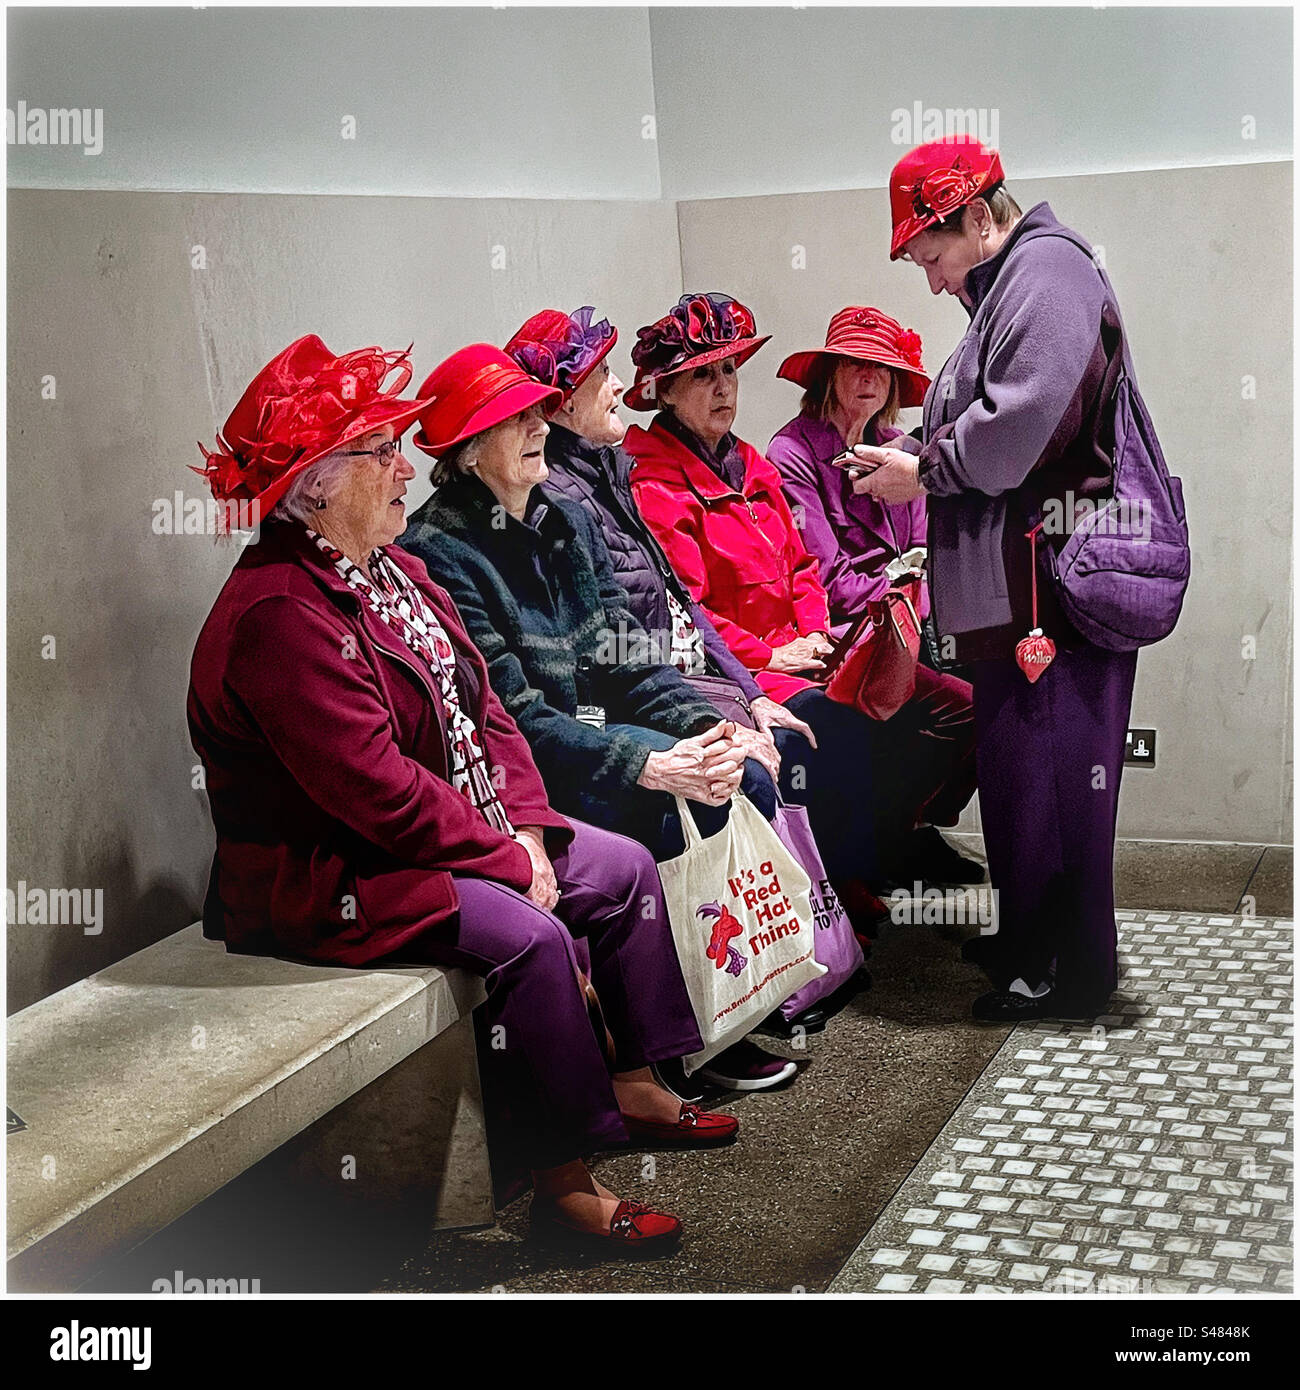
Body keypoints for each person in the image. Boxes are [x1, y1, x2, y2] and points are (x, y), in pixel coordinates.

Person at [188, 334, 736, 1253]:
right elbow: (377, 795)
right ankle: (565, 1188)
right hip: (331, 875)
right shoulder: (280, 614)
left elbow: (486, 708)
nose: (406, 468)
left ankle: (637, 1079)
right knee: (529, 936)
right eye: (381, 453)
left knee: (624, 867)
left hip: (442, 834)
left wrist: (527, 823)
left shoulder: (387, 569)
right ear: (317, 484)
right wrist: (506, 858)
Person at [399, 343, 799, 1090]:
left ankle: (741, 1003)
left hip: (593, 732)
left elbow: (628, 656)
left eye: (534, 412)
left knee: (740, 771)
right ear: (467, 450)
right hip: (536, 766)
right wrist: (649, 761)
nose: (537, 426)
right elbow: (512, 716)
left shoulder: (560, 519)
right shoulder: (441, 549)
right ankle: (683, 1044)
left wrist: (711, 728)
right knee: (679, 797)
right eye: (514, 420)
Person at [852, 135, 1141, 1021]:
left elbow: (1015, 433)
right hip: (1016, 592)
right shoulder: (1013, 283)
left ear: (980, 217)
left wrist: (920, 472)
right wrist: (916, 449)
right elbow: (986, 412)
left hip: (1044, 592)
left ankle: (1065, 974)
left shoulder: (1047, 276)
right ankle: (1031, 942)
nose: (933, 281)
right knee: (1025, 779)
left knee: (1055, 783)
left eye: (932, 256)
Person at [620, 293, 978, 898]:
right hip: (740, 670)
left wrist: (812, 629)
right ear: (667, 393)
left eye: (728, 371)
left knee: (956, 703)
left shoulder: (751, 464)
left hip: (812, 646)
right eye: (702, 376)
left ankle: (891, 845)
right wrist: (767, 655)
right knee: (837, 720)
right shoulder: (657, 482)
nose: (723, 388)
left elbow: (804, 567)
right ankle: (841, 895)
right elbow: (688, 610)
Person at [766, 306, 980, 883]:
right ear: (829, 374)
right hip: (840, 635)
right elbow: (826, 578)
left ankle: (908, 828)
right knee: (960, 709)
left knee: (994, 702)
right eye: (855, 364)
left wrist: (911, 601)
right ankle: (895, 837)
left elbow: (922, 554)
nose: (867, 377)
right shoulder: (791, 454)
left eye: (881, 368)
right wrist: (902, 595)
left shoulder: (899, 450)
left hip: (908, 627)